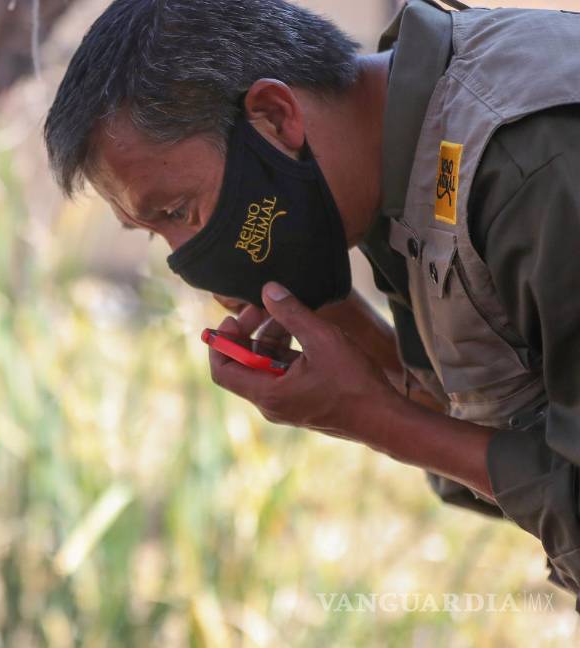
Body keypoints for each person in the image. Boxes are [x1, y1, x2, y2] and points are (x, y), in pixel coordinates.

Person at [44, 0, 580, 604]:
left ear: (275, 116)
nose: (196, 272)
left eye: (177, 211)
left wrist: (375, 420)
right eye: (154, 233)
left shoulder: (531, 168)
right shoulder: (397, 168)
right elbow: (513, 448)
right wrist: (357, 341)